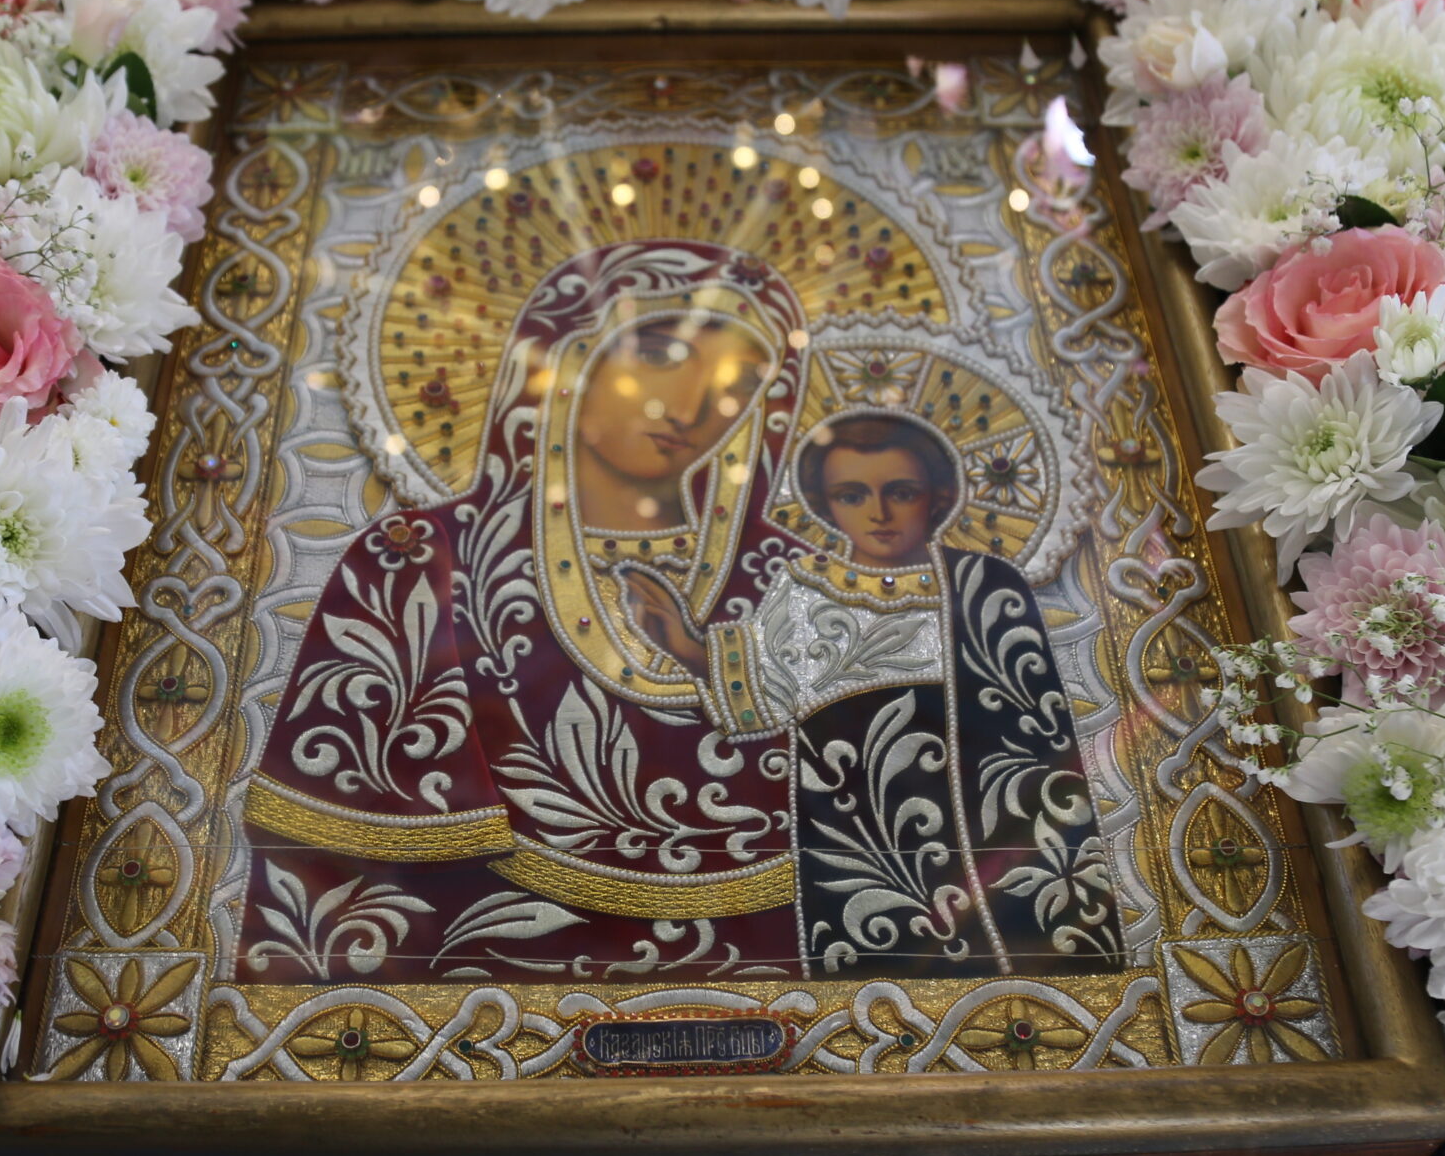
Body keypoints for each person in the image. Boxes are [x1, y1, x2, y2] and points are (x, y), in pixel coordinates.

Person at [237, 240, 817, 983]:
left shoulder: (802, 585)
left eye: (739, 380)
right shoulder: (415, 562)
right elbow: (331, 895)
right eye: (660, 353)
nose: (689, 408)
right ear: (566, 358)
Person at [625, 409, 1127, 979]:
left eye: (901, 492)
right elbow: (764, 698)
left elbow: (1039, 732)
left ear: (939, 498)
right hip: (853, 842)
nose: (879, 513)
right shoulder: (802, 588)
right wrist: (689, 649)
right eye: (852, 494)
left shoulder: (983, 585)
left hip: (996, 846)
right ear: (824, 505)